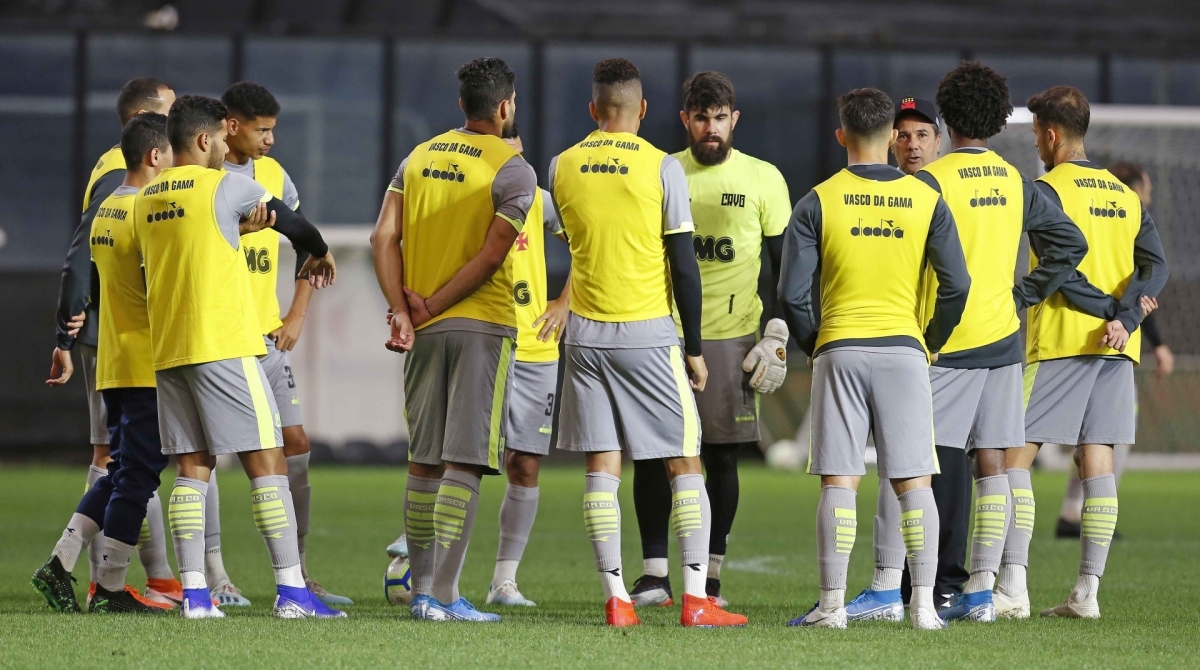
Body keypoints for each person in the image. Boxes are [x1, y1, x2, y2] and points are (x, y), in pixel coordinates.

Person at [857, 61, 1095, 625]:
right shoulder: (1014, 180)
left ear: (946, 120)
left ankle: (889, 588)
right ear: (996, 118)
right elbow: (1070, 244)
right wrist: (1022, 295)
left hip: (945, 345)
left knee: (905, 464)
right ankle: (982, 592)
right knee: (992, 465)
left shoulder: (929, 182)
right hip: (1004, 342)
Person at [550, 57, 747, 628]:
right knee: (685, 462)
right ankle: (696, 600)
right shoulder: (662, 167)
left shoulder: (561, 165)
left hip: (584, 337)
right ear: (642, 108)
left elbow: (578, 244)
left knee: (602, 465)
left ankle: (617, 599)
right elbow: (684, 265)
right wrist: (694, 348)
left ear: (594, 109)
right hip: (648, 335)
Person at [134, 94, 340, 619]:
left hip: (171, 350)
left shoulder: (149, 197)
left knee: (191, 467)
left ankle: (196, 596)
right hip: (224, 343)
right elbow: (296, 225)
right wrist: (319, 252)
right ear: (204, 139)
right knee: (267, 459)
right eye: (223, 141)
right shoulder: (225, 185)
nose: (228, 149)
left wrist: (236, 232)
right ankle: (293, 592)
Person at [779, 87, 971, 631]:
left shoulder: (817, 200)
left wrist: (817, 342)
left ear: (841, 135)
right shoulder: (926, 199)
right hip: (904, 351)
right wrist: (929, 339)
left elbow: (792, 293)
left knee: (840, 480)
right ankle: (924, 607)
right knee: (915, 481)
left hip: (839, 347)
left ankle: (831, 607)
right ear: (891, 137)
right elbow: (957, 284)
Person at [371, 57, 537, 622]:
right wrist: (435, 304)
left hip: (420, 330)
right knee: (464, 461)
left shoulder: (418, 156)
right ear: (506, 106)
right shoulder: (513, 170)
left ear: (462, 104)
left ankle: (421, 591)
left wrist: (403, 310)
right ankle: (443, 595)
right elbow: (491, 257)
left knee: (423, 462)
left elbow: (382, 237)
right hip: (480, 326)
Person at [994, 86, 1168, 619]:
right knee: (1098, 460)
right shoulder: (1124, 195)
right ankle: (1087, 592)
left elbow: (1059, 272)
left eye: (1036, 136)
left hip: (1062, 340)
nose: (1036, 145)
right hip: (1118, 347)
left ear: (1050, 135)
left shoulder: (1045, 190)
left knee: (1012, 458)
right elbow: (1156, 267)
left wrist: (1109, 312)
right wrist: (1126, 318)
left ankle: (1012, 588)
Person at [629, 71, 791, 609]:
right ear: (685, 120)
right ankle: (654, 574)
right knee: (656, 454)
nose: (711, 128)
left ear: (734, 119)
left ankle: (711, 578)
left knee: (722, 457)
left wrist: (777, 332)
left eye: (720, 117)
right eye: (701, 118)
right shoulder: (663, 171)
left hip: (733, 337)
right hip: (665, 332)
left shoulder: (764, 178)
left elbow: (784, 267)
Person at [192, 81, 350, 608]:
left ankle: (298, 572)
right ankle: (216, 576)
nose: (271, 140)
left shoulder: (275, 176)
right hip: (220, 337)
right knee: (206, 455)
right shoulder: (201, 175)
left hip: (267, 336)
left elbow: (305, 241)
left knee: (295, 443)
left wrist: (296, 315)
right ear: (231, 126)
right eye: (263, 130)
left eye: (273, 130)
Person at [32, 113, 184, 614]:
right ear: (155, 155)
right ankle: (112, 588)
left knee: (122, 470)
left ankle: (61, 560)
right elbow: (160, 286)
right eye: (171, 153)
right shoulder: (145, 210)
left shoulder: (107, 209)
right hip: (144, 360)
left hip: (113, 358)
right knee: (138, 475)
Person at [1054, 161, 1171, 539]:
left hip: (1076, 334)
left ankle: (1072, 512)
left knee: (1081, 438)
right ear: (1131, 192)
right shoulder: (1130, 223)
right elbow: (1139, 288)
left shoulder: (1085, 219)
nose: (1148, 197)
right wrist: (1148, 335)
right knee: (1107, 436)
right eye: (1146, 190)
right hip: (1112, 343)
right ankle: (1090, 518)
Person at [485, 124, 571, 608]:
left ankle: (504, 582)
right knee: (461, 456)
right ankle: (417, 548)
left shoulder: (540, 199)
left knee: (525, 462)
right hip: (484, 340)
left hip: (536, 347)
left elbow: (587, 245)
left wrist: (564, 301)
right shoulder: (472, 197)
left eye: (519, 156)